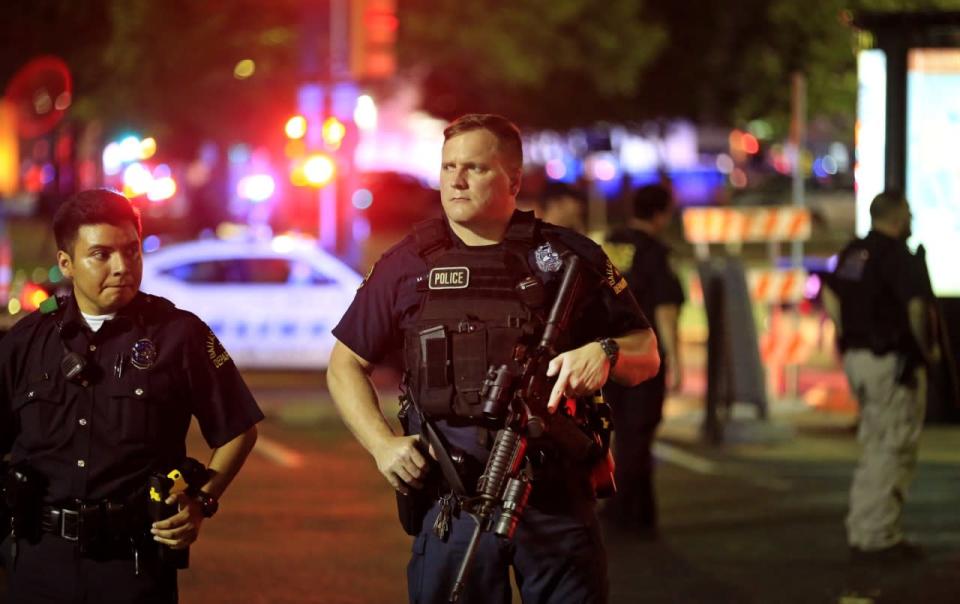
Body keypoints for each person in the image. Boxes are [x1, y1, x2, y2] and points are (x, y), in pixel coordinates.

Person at [328, 113, 659, 603]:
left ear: (514, 180)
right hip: (453, 498)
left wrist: (606, 352)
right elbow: (344, 365)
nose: (456, 181)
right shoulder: (407, 264)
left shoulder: (568, 257)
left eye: (475, 168)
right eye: (448, 168)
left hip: (554, 496)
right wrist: (382, 445)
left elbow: (647, 352)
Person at [0, 189, 263, 602]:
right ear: (66, 263)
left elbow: (238, 430)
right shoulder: (26, 341)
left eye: (132, 250)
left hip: (133, 566)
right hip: (37, 561)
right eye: (101, 254)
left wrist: (201, 501)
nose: (122, 267)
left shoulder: (180, 334)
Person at [822, 190, 939, 562]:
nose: (912, 220)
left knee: (875, 443)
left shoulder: (854, 252)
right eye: (909, 213)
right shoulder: (897, 257)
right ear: (899, 216)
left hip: (859, 358)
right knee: (893, 445)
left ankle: (865, 528)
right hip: (890, 361)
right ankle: (877, 536)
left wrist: (846, 335)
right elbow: (917, 308)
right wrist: (927, 350)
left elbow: (831, 294)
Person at [601, 183, 684, 536]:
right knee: (639, 435)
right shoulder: (654, 252)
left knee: (618, 434)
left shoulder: (610, 244)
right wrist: (676, 360)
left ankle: (630, 510)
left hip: (606, 353)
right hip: (642, 356)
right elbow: (665, 311)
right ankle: (627, 513)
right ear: (661, 214)